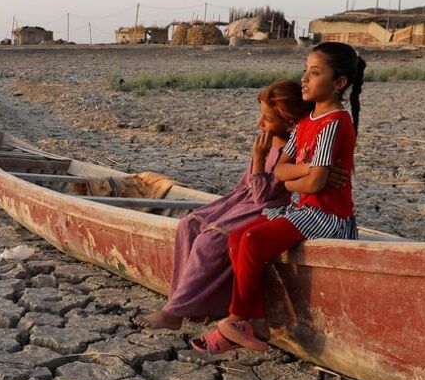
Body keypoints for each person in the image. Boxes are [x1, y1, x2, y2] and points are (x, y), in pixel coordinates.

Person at [195, 41, 366, 354]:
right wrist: (305, 174)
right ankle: (257, 321)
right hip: (304, 211)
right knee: (236, 239)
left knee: (253, 241)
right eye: (305, 71)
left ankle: (235, 319)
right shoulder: (305, 123)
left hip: (327, 217)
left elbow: (314, 186)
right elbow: (282, 174)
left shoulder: (335, 123)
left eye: (314, 73)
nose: (304, 78)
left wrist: (303, 179)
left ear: (339, 83)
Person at [134, 80, 307, 329]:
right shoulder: (268, 142)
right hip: (242, 200)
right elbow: (244, 186)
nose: (260, 124)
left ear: (289, 122)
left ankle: (174, 311)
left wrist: (258, 159)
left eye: (267, 119)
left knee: (210, 241)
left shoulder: (291, 150)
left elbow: (262, 196)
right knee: (188, 225)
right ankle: (183, 305)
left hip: (265, 207)